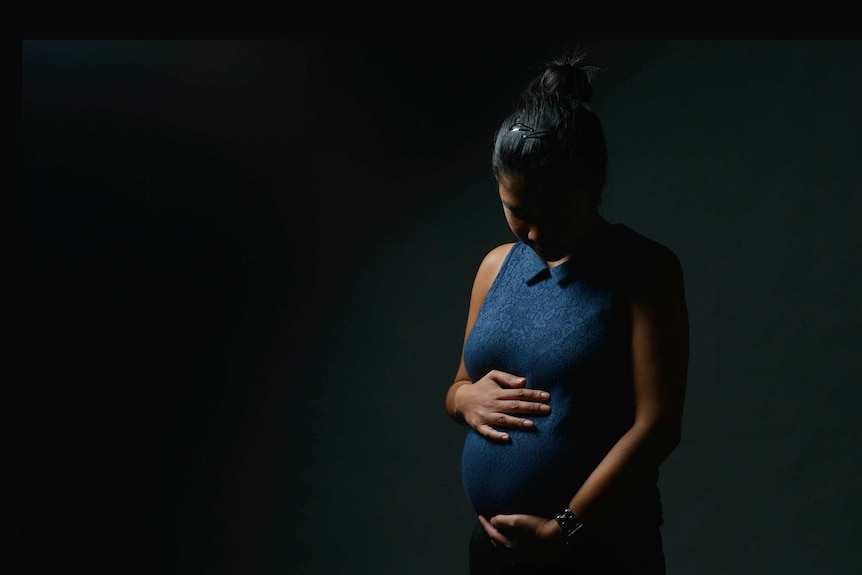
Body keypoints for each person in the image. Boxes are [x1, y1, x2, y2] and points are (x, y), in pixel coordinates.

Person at [444, 50, 690, 575]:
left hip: (598, 548)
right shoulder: (494, 268)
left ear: (593, 187)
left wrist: (562, 529)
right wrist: (465, 399)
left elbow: (658, 427)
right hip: (495, 552)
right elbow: (459, 385)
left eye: (553, 214)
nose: (533, 232)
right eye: (518, 211)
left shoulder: (645, 270)